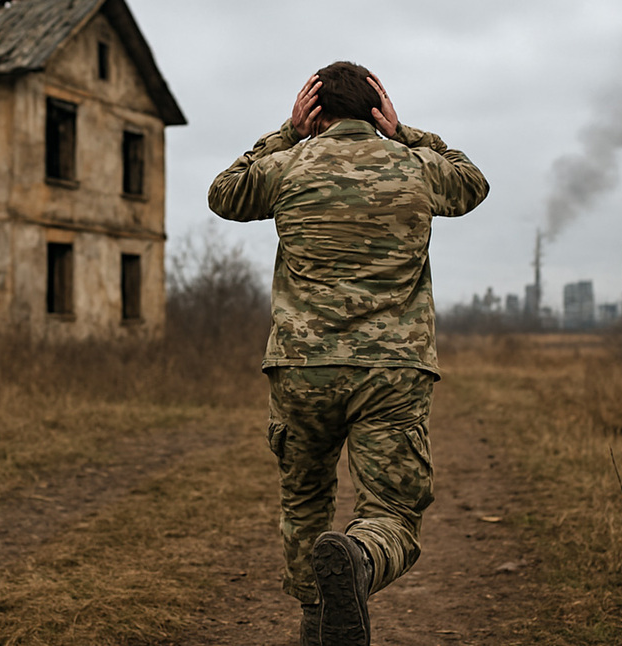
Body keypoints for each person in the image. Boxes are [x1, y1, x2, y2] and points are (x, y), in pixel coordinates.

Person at [207, 61, 489, 645]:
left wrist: (287, 134)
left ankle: (316, 625)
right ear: (374, 109)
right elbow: (473, 183)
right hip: (391, 370)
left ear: (317, 110)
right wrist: (407, 133)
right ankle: (358, 560)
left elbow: (224, 195)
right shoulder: (418, 168)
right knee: (392, 513)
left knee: (305, 501)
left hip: (301, 370)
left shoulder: (288, 166)